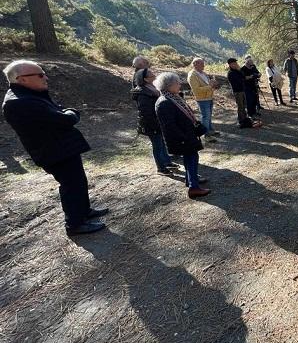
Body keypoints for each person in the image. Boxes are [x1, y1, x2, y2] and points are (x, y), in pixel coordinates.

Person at [2, 60, 107, 235]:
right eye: (40, 74)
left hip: (62, 147)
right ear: (22, 79)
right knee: (70, 185)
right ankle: (74, 224)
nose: (46, 77)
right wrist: (71, 113)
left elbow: (57, 112)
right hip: (54, 151)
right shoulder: (20, 101)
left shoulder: (30, 94)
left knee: (78, 182)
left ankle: (83, 212)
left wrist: (66, 113)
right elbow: (65, 118)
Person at [154, 72, 210, 199]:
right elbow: (169, 126)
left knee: (190, 159)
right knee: (191, 159)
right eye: (177, 82)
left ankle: (190, 180)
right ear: (169, 85)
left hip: (187, 135)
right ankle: (194, 188)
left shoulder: (173, 97)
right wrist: (183, 139)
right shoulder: (164, 102)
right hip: (183, 138)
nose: (179, 84)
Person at [131, 68, 178, 175]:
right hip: (152, 124)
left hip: (159, 122)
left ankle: (167, 162)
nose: (154, 76)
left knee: (162, 143)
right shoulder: (142, 93)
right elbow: (147, 113)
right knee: (157, 145)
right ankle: (161, 168)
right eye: (151, 75)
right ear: (146, 79)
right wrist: (156, 124)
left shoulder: (152, 88)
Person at [187, 57, 220, 139]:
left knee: (208, 116)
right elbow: (196, 90)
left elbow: (208, 84)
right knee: (205, 116)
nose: (203, 65)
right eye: (201, 64)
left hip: (209, 97)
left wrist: (213, 84)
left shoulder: (203, 73)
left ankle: (210, 130)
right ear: (195, 64)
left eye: (203, 63)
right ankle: (206, 135)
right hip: (202, 99)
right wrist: (210, 86)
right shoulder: (192, 75)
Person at [226, 58, 255, 128]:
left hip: (242, 90)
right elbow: (241, 80)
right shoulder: (230, 73)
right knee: (240, 106)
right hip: (237, 91)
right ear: (230, 64)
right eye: (234, 63)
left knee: (244, 105)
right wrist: (243, 78)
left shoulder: (237, 70)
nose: (236, 64)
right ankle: (241, 120)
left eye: (236, 63)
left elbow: (243, 76)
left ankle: (244, 118)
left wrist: (239, 69)